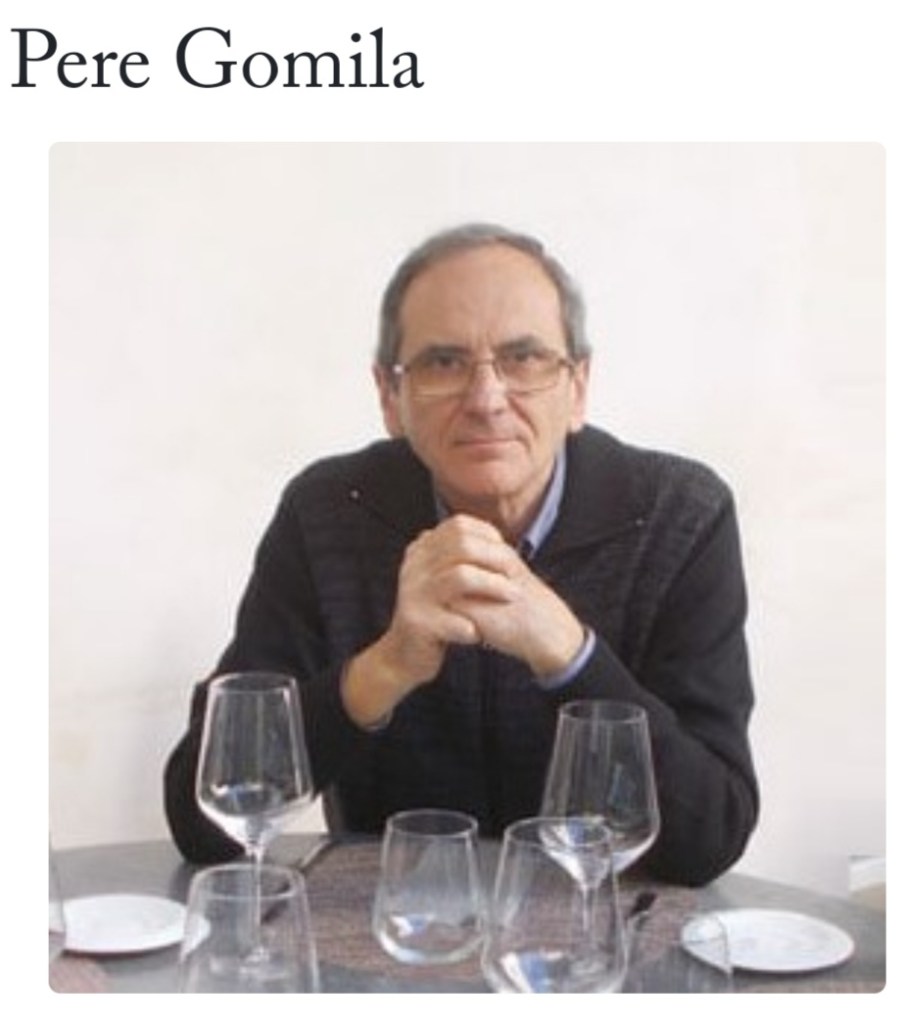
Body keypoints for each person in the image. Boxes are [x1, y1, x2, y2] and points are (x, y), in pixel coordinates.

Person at [164, 223, 758, 886]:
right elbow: (201, 821)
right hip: (393, 924)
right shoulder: (327, 511)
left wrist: (569, 653)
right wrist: (384, 668)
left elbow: (712, 834)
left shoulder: (680, 514)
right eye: (444, 363)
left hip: (606, 927)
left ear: (578, 387)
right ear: (390, 397)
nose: (486, 399)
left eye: (524, 358)